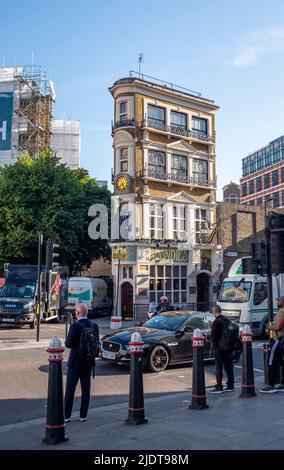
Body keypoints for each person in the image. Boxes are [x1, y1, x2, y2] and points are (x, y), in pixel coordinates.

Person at [64, 303, 99, 422]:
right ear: (87, 313)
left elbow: (67, 344)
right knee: (86, 389)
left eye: (75, 312)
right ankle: (83, 415)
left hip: (75, 362)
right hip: (88, 362)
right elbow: (96, 345)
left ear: (78, 313)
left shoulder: (75, 326)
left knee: (70, 389)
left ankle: (66, 416)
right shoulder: (94, 326)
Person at [259, 296, 284, 394]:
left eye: (278, 301)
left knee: (271, 361)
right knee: (281, 362)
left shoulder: (282, 311)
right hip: (282, 340)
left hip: (278, 340)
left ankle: (271, 385)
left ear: (282, 302)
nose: (277, 302)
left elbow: (277, 327)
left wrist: (270, 327)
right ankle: (281, 384)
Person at [208, 305, 234, 394]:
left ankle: (219, 386)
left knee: (219, 367)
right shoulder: (226, 320)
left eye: (212, 312)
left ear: (215, 312)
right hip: (228, 347)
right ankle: (230, 385)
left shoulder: (216, 322)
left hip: (219, 348)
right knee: (229, 367)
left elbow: (214, 337)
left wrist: (208, 338)